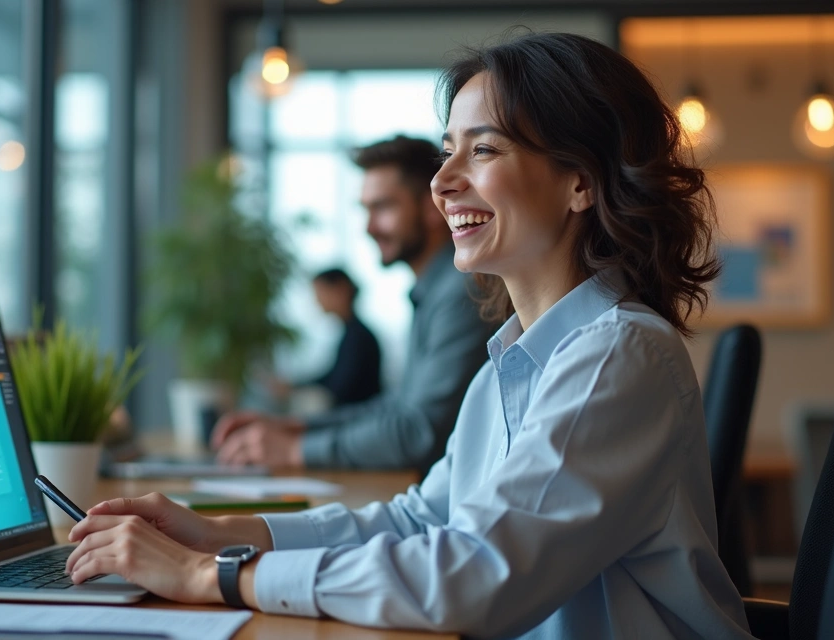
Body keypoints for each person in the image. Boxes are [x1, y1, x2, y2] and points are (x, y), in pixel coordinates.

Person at [61, 32, 753, 638]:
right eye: (447, 153)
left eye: (482, 149)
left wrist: (213, 574)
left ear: (580, 181)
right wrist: (224, 531)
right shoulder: (514, 364)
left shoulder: (617, 354)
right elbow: (422, 520)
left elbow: (472, 580)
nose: (443, 183)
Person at [212, 135, 492, 472]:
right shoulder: (435, 292)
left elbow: (418, 433)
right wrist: (297, 427)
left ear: (434, 206)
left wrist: (295, 449)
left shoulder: (461, 292)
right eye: (365, 209)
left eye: (383, 207)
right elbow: (398, 409)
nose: (369, 227)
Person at [271, 268, 382, 408]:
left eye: (320, 293)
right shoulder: (352, 333)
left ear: (341, 289)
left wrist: (297, 390)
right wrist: (294, 386)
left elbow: (339, 387)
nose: (317, 301)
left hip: (358, 419)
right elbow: (332, 377)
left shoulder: (358, 338)